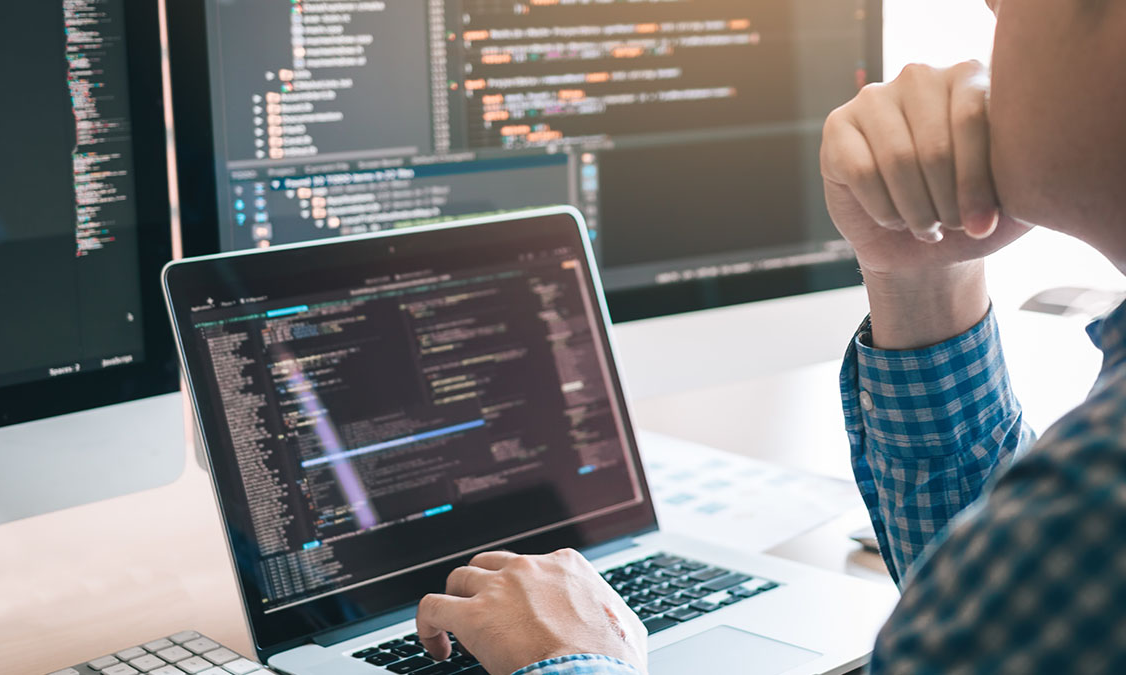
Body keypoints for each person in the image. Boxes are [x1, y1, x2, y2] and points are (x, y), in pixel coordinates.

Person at [413, 0, 1126, 672]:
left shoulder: (1095, 491)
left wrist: (573, 658)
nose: (992, 8)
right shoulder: (1073, 519)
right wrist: (924, 278)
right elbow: (993, 607)